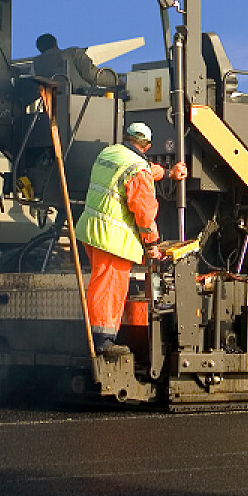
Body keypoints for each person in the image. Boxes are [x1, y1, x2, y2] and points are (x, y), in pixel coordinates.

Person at [75, 121, 186, 358]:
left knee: (100, 282)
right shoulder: (138, 170)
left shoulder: (110, 153)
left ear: (127, 138)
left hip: (91, 231)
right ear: (147, 146)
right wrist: (152, 244)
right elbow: (144, 213)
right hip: (111, 240)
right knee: (109, 288)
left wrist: (169, 173)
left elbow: (145, 170)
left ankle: (99, 336)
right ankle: (102, 342)